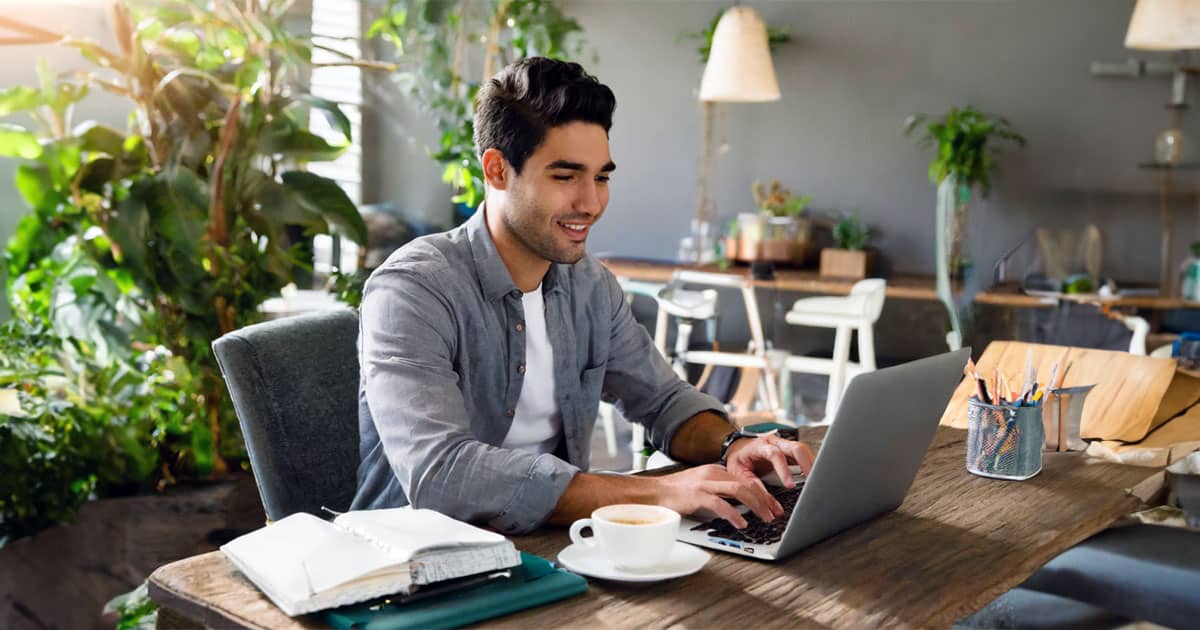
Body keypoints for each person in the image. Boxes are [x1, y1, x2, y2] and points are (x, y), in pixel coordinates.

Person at [352, 57, 814, 534]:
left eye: (601, 177)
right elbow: (442, 475)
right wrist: (657, 493)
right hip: (414, 562)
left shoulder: (589, 286)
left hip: (555, 545)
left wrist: (733, 446)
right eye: (565, 176)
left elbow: (662, 401)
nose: (591, 203)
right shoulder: (412, 291)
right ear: (496, 170)